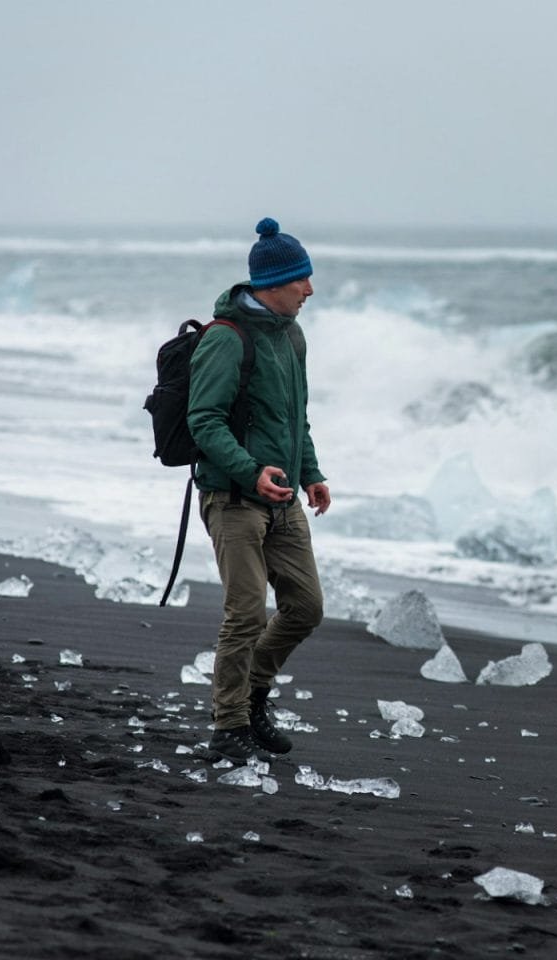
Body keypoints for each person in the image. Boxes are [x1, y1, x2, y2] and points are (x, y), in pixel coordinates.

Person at [188, 217, 331, 764]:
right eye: (303, 281)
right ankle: (228, 727)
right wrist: (252, 472)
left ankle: (252, 694)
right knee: (245, 613)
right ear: (275, 284)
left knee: (306, 608)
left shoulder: (292, 335)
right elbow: (205, 422)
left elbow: (297, 418)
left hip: (284, 498)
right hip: (233, 499)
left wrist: (310, 472)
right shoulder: (226, 339)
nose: (311, 291)